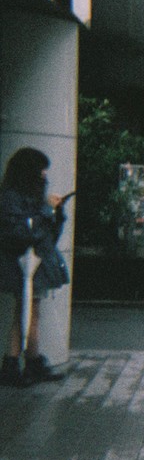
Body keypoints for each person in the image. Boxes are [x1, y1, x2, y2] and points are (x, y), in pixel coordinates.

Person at [0, 148, 68, 387]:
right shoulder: (12, 198)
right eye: (40, 169)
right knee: (26, 312)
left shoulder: (26, 195)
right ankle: (19, 362)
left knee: (29, 312)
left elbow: (45, 233)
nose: (44, 175)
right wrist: (48, 211)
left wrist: (56, 214)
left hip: (32, 263)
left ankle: (26, 361)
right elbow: (24, 232)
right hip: (23, 263)